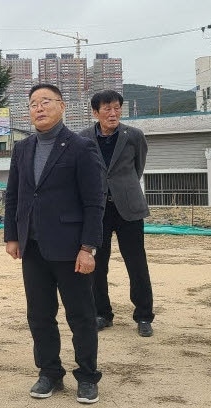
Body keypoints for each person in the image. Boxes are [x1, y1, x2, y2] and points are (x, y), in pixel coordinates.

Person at [4, 83, 105, 404]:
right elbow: (15, 196)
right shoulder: (22, 149)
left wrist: (88, 247)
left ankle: (87, 376)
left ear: (61, 106)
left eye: (46, 101)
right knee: (39, 315)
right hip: (32, 247)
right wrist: (11, 235)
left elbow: (95, 201)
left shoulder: (81, 147)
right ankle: (49, 373)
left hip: (71, 249)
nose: (39, 108)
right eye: (33, 103)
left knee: (81, 316)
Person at [79, 90, 155, 338]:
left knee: (136, 263)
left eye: (117, 108)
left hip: (129, 207)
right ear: (95, 112)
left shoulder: (134, 135)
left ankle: (144, 316)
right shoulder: (83, 139)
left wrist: (123, 187)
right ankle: (102, 313)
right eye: (107, 109)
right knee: (97, 265)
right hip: (97, 210)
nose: (113, 113)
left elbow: (137, 167)